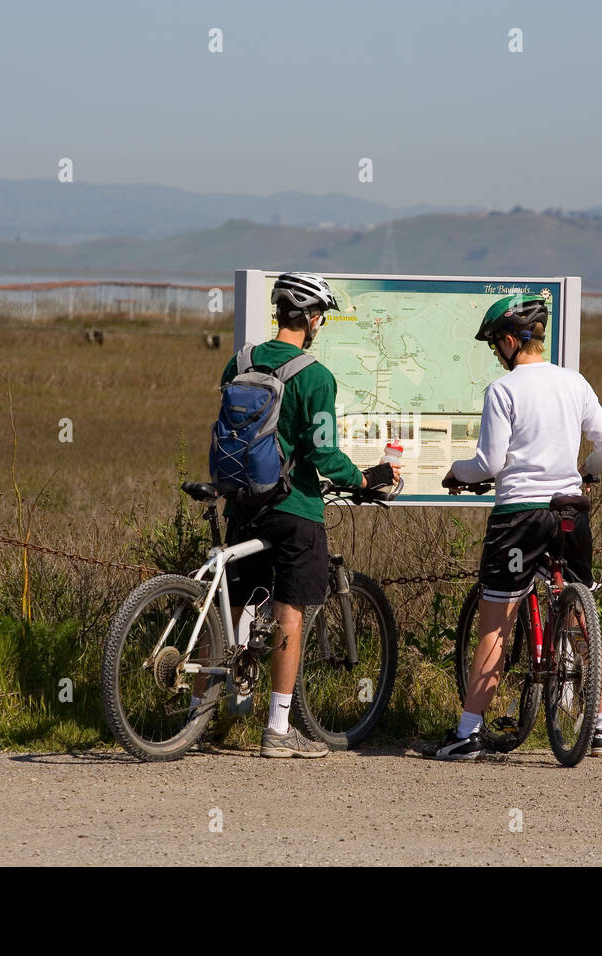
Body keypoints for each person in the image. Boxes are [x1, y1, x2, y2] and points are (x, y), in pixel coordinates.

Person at [205, 272, 399, 758]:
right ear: (312, 318)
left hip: (243, 501)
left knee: (233, 607)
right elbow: (322, 454)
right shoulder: (315, 376)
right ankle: (277, 729)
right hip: (294, 509)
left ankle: (200, 715)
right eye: (321, 317)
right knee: (290, 610)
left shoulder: (241, 361)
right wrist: (363, 478)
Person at [433, 293, 602, 761]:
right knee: (580, 616)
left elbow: (489, 463)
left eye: (497, 342)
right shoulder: (575, 383)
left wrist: (458, 472)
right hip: (570, 512)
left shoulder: (503, 390)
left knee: (497, 623)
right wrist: (589, 472)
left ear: (513, 340)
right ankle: (600, 728)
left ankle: (469, 733)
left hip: (519, 517)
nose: (497, 352)